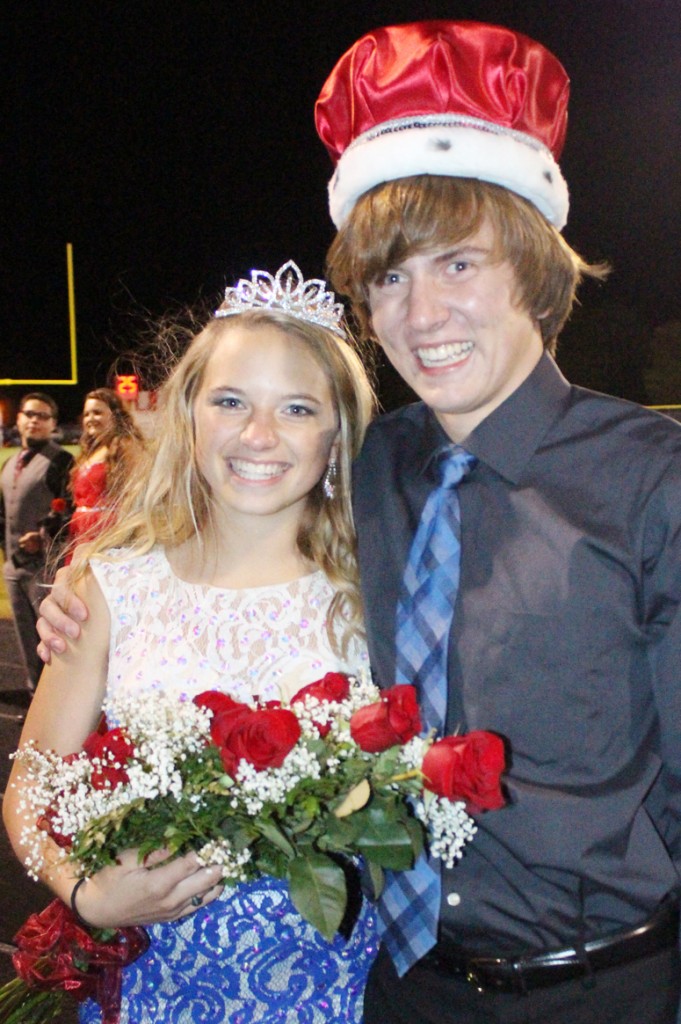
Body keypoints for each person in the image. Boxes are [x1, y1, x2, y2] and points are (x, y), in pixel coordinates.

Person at [34, 20, 681, 1024]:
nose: (422, 314)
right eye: (389, 277)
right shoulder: (373, 467)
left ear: (532, 270)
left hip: (600, 988)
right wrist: (92, 607)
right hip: (398, 985)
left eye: (457, 265)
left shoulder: (651, 479)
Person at [4, 261, 377, 1024]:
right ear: (189, 414)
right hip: (154, 991)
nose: (258, 435)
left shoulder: (380, 589)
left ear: (337, 430)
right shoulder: (113, 585)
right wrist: (87, 890)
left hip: (340, 992)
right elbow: (30, 788)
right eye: (231, 400)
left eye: (298, 408)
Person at [0, 392, 73, 694]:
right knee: (26, 640)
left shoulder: (61, 460)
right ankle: (33, 695)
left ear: (53, 424)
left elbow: (69, 508)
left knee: (52, 640)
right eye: (29, 414)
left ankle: (54, 704)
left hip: (45, 566)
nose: (34, 420)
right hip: (14, 565)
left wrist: (43, 534)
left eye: (42, 416)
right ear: (18, 420)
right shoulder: (9, 462)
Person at [65, 388, 144, 560]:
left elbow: (140, 492)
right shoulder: (89, 451)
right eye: (87, 414)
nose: (90, 419)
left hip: (109, 533)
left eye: (97, 413)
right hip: (81, 532)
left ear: (115, 415)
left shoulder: (125, 445)